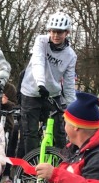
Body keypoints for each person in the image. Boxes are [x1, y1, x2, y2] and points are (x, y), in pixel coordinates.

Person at [19, 13, 77, 155]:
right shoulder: (41, 41)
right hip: (31, 91)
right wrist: (40, 84)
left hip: (52, 94)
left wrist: (71, 107)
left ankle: (61, 165)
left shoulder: (70, 55)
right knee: (30, 133)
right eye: (53, 31)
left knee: (59, 134)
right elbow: (38, 61)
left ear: (67, 33)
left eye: (60, 32)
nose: (56, 35)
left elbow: (69, 83)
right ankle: (30, 170)